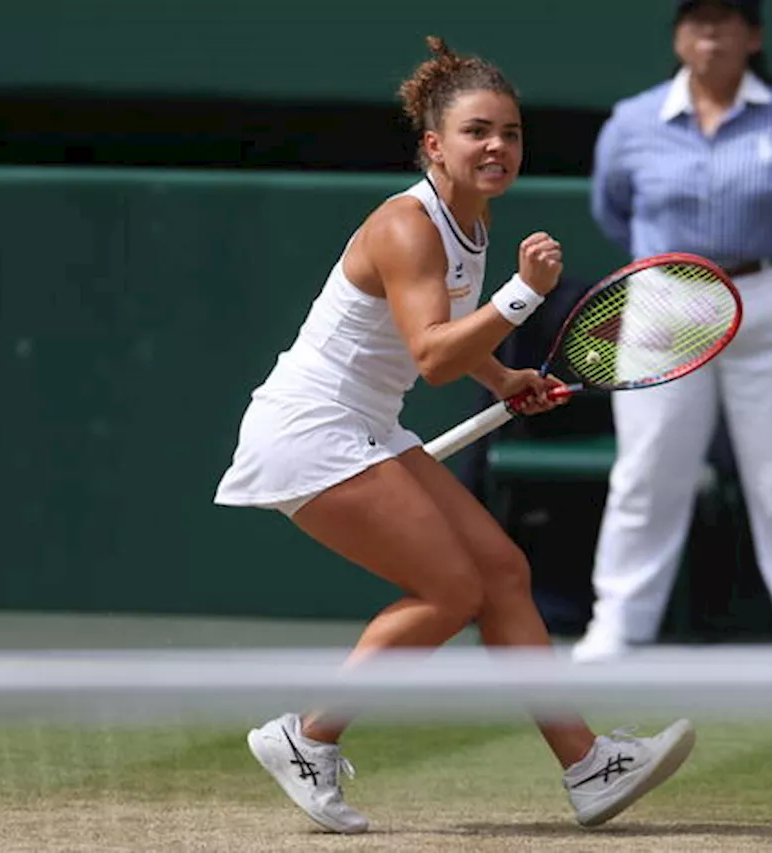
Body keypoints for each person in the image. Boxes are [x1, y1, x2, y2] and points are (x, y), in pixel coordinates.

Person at [213, 36, 695, 834]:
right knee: (449, 591)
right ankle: (307, 735)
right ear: (434, 144)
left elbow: (437, 337)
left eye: (509, 132)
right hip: (311, 429)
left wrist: (504, 378)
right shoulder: (409, 225)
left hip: (367, 423)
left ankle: (589, 765)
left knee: (502, 571)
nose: (497, 146)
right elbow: (434, 357)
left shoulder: (470, 221)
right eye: (477, 132)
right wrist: (522, 297)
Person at [571, 0, 772, 669]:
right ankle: (618, 618)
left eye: (726, 20)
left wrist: (757, 273)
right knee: (647, 467)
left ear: (753, 37)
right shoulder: (632, 122)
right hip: (666, 298)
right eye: (697, 21)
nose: (711, 35)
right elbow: (613, 210)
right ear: (677, 36)